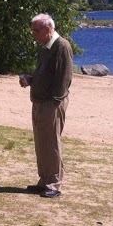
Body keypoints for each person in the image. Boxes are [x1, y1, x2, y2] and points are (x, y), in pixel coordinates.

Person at [18, 13, 72, 199]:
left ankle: (54, 184)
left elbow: (64, 79)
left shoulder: (61, 46)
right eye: (32, 30)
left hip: (51, 103)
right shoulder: (45, 48)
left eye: (36, 30)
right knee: (41, 144)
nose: (33, 34)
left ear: (48, 29)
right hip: (40, 101)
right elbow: (45, 75)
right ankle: (44, 181)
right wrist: (30, 79)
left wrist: (54, 103)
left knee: (51, 143)